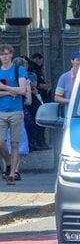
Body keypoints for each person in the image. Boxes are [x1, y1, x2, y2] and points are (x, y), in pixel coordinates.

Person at [0, 45, 28, 185]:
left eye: (6, 54)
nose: (4, 57)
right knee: (1, 142)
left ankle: (11, 174)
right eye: (1, 55)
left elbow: (22, 90)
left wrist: (5, 87)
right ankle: (9, 162)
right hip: (1, 111)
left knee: (15, 143)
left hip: (16, 110)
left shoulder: (19, 70)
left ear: (11, 55)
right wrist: (9, 92)